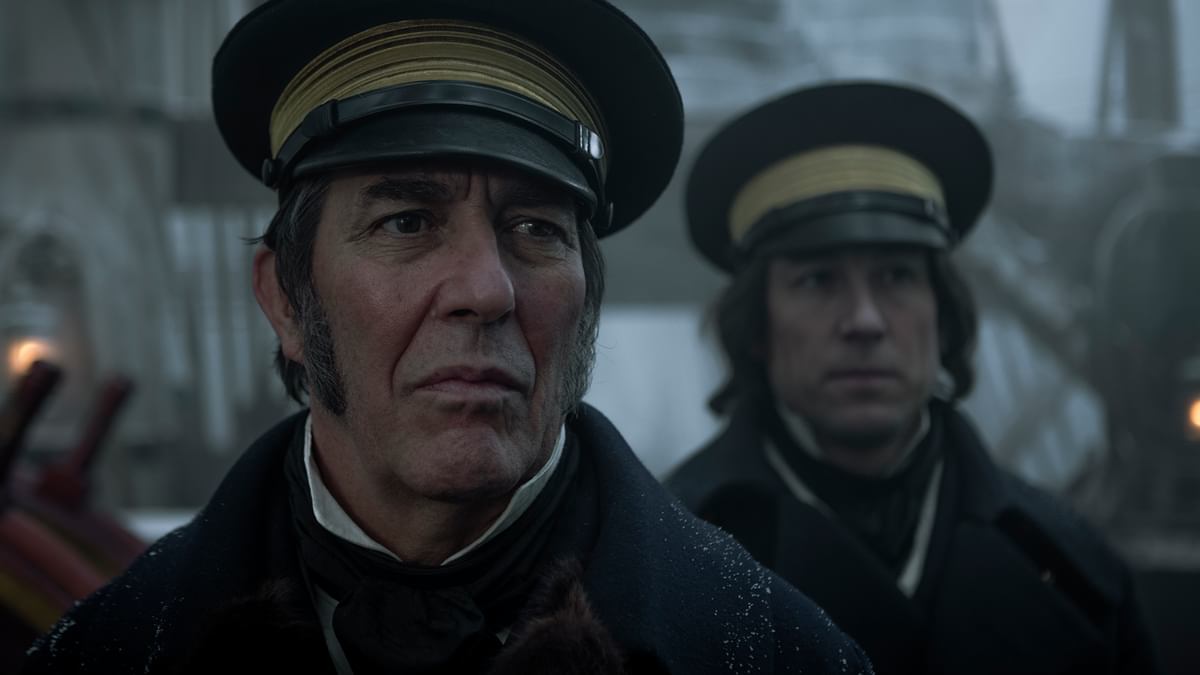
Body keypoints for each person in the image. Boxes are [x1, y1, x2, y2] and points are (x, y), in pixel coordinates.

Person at [21, 2, 874, 674]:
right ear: (285, 298)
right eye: (407, 221)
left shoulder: (775, 652)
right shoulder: (112, 651)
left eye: (535, 228)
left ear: (588, 299)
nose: (486, 289)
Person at [666, 81, 1162, 675]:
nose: (865, 321)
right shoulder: (668, 559)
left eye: (897, 276)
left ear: (943, 314)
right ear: (757, 326)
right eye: (818, 281)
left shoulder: (1073, 568)